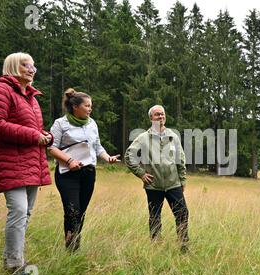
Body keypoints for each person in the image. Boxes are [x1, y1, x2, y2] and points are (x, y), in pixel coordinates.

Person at [0, 52, 53, 275]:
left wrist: (45, 136)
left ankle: (12, 260)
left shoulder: (31, 96)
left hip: (32, 161)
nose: (32, 69)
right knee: (19, 210)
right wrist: (34, 135)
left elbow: (32, 128)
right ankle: (14, 267)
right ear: (13, 66)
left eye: (34, 66)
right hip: (8, 160)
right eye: (26, 65)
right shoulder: (0, 89)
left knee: (25, 213)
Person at [48, 89, 120, 252]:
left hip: (88, 174)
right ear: (75, 106)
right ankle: (71, 249)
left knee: (80, 212)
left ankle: (75, 245)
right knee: (72, 210)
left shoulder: (91, 123)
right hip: (68, 174)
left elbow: (97, 146)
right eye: (87, 106)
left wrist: (107, 157)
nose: (90, 109)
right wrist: (69, 160)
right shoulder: (61, 123)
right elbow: (51, 148)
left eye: (91, 106)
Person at [125, 105, 189, 253]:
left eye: (162, 114)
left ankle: (183, 245)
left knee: (182, 213)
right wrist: (141, 173)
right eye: (157, 115)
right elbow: (129, 155)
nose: (160, 117)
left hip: (174, 184)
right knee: (154, 216)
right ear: (151, 118)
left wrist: (183, 180)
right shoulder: (143, 138)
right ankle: (155, 245)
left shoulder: (173, 136)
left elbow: (181, 158)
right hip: (153, 185)